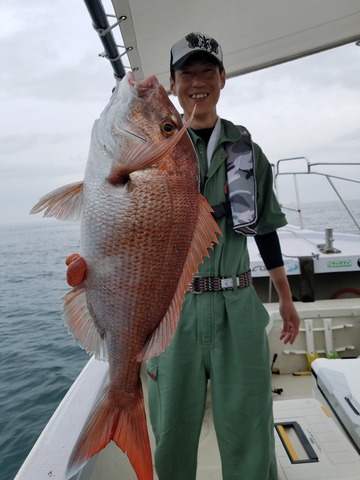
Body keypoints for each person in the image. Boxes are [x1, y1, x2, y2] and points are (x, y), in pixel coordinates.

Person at [67, 32, 300, 480]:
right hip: (171, 312)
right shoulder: (147, 151)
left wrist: (286, 297)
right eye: (187, 73)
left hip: (238, 305)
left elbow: (266, 231)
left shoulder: (249, 153)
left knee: (250, 431)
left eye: (207, 71)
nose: (198, 81)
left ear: (223, 79)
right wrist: (91, 269)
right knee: (171, 435)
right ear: (173, 84)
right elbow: (114, 227)